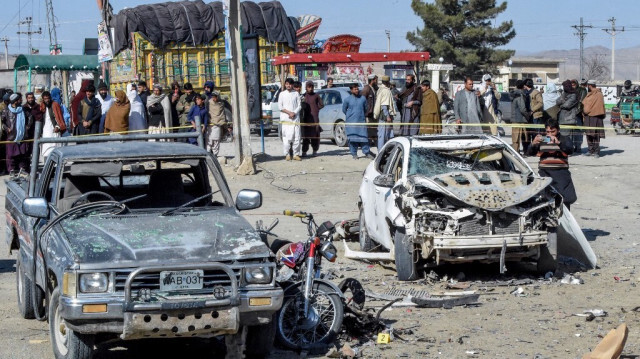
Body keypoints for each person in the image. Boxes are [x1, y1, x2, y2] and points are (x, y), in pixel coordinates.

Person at [527, 119, 577, 210]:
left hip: (561, 173)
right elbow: (530, 152)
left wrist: (558, 143)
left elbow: (570, 149)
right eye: (548, 131)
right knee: (545, 199)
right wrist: (533, 143)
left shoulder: (564, 139)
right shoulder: (543, 139)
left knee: (565, 198)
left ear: (558, 130)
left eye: (552, 131)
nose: (550, 134)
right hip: (545, 173)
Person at [2, 94, 33, 173]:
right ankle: (11, 170)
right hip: (11, 136)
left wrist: (27, 127)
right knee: (10, 155)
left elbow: (30, 117)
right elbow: (2, 122)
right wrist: (7, 128)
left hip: (22, 136)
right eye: (19, 99)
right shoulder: (6, 110)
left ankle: (22, 169)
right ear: (15, 101)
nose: (21, 100)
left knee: (23, 154)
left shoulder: (23, 109)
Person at [343, 84, 375, 160]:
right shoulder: (347, 99)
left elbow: (366, 108)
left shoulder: (363, 99)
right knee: (352, 139)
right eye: (355, 89)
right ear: (351, 90)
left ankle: (366, 152)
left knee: (364, 138)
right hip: (351, 122)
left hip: (361, 122)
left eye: (357, 89)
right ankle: (354, 154)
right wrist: (350, 115)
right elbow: (344, 109)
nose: (357, 90)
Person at [39, 91, 67, 161]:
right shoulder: (42, 107)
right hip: (45, 130)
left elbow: (59, 117)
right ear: (43, 99)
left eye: (48, 98)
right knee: (46, 148)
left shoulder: (55, 105)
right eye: (45, 99)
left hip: (54, 129)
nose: (47, 100)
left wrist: (58, 127)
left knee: (55, 147)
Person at [278, 79, 301, 161]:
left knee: (297, 137)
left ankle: (296, 154)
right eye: (287, 84)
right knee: (286, 138)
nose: (288, 86)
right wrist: (289, 113)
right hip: (286, 119)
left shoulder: (296, 93)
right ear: (285, 84)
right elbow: (280, 107)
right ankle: (287, 154)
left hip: (295, 119)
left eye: (290, 84)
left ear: (292, 85)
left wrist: (294, 113)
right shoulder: (282, 94)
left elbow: (299, 106)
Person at [581, 80, 606, 158]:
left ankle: (596, 151)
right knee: (589, 135)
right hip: (589, 117)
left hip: (595, 117)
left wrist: (584, 111)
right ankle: (590, 150)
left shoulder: (598, 95)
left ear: (590, 86)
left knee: (595, 135)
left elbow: (587, 107)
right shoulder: (592, 94)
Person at [373, 75, 396, 150]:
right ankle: (381, 152)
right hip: (385, 117)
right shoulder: (385, 91)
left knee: (383, 135)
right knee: (384, 136)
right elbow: (384, 105)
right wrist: (388, 116)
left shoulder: (380, 89)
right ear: (387, 82)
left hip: (382, 116)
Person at [301, 81, 323, 156]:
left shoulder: (316, 95)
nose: (310, 89)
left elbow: (322, 104)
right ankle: (304, 151)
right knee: (305, 137)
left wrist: (316, 109)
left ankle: (315, 150)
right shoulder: (303, 96)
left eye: (311, 87)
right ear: (306, 88)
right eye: (309, 87)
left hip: (314, 118)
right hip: (306, 119)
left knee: (315, 135)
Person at [557, 80, 580, 149]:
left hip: (569, 119)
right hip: (562, 119)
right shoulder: (564, 94)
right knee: (563, 136)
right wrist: (563, 100)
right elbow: (557, 101)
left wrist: (562, 103)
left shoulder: (574, 95)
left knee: (568, 137)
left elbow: (567, 105)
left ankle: (569, 149)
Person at [510, 80, 529, 153]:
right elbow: (522, 109)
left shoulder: (514, 94)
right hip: (520, 120)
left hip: (514, 119)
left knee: (515, 139)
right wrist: (527, 116)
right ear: (523, 86)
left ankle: (515, 152)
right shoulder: (520, 95)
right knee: (519, 138)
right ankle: (516, 153)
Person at [207, 91, 226, 156]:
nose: (213, 99)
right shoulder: (209, 103)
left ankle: (215, 154)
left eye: (215, 97)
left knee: (216, 140)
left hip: (218, 125)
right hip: (210, 125)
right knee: (209, 141)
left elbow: (222, 115)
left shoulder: (221, 104)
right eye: (213, 97)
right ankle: (208, 153)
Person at [360, 74, 378, 140]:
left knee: (373, 128)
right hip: (368, 113)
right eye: (375, 80)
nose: (376, 82)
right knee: (369, 129)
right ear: (372, 80)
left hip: (373, 113)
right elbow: (362, 100)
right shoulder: (366, 89)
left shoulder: (374, 88)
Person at [574, 79, 588, 153]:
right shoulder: (583, 91)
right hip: (576, 114)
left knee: (578, 131)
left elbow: (581, 103)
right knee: (576, 131)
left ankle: (577, 146)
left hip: (577, 114)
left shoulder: (581, 90)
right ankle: (576, 146)